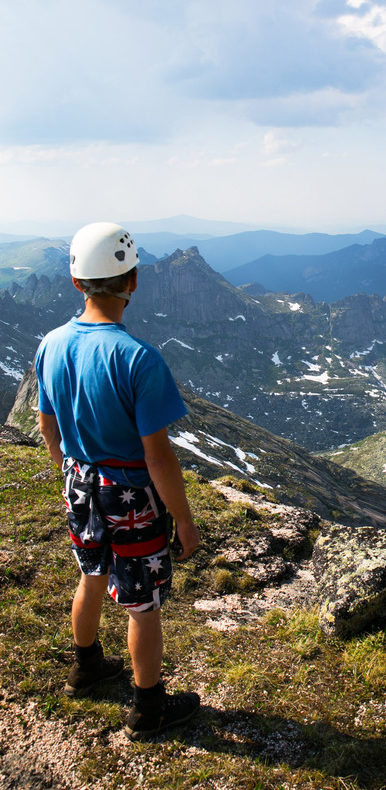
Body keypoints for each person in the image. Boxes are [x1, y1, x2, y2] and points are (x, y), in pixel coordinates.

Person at [35, 222, 203, 740]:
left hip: (80, 481)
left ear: (76, 283)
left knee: (89, 574)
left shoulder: (51, 345)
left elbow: (48, 425)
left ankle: (85, 669)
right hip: (127, 492)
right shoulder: (138, 358)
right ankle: (147, 710)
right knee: (142, 602)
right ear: (132, 282)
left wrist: (71, 472)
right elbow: (158, 457)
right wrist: (185, 520)